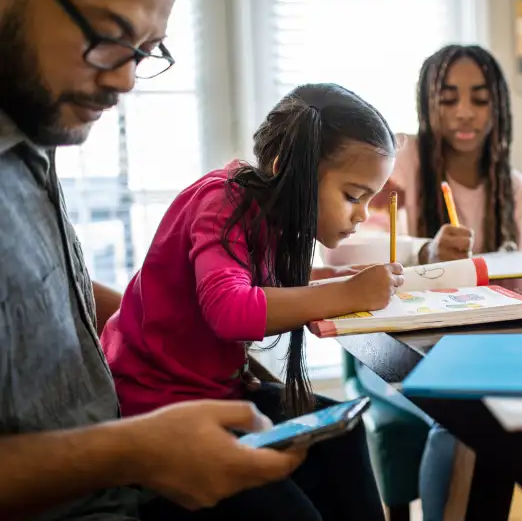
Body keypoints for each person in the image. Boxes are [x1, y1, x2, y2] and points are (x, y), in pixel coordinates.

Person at [0, 0, 308, 520]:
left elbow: (41, 296)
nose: (125, 80)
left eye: (147, 50)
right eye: (112, 36)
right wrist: (134, 449)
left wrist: (175, 343)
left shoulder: (30, 131)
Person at [100, 82, 402, 521]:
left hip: (216, 394)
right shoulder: (222, 200)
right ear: (287, 170)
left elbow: (263, 283)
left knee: (343, 429)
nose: (361, 214)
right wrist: (345, 294)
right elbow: (230, 310)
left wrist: (334, 280)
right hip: (159, 411)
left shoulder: (267, 215)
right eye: (353, 196)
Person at [325, 44, 522, 520]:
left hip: (473, 348)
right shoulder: (400, 162)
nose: (464, 113)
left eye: (480, 99)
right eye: (447, 97)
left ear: (498, 106)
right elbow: (341, 248)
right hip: (389, 349)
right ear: (427, 102)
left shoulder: (513, 188)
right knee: (466, 423)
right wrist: (427, 252)